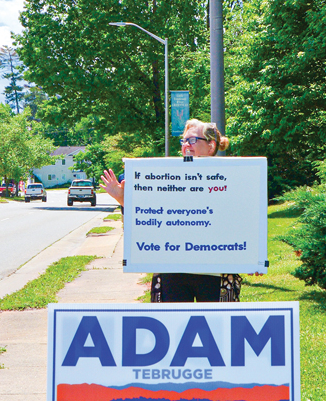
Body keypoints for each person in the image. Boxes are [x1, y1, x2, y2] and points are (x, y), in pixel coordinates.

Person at [101, 118, 241, 302]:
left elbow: (242, 219)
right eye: (184, 141)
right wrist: (123, 199)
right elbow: (150, 219)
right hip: (173, 272)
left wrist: (255, 258)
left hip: (213, 273)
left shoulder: (233, 178)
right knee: (174, 329)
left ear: (210, 146)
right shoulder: (166, 179)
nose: (186, 145)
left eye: (192, 140)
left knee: (215, 330)